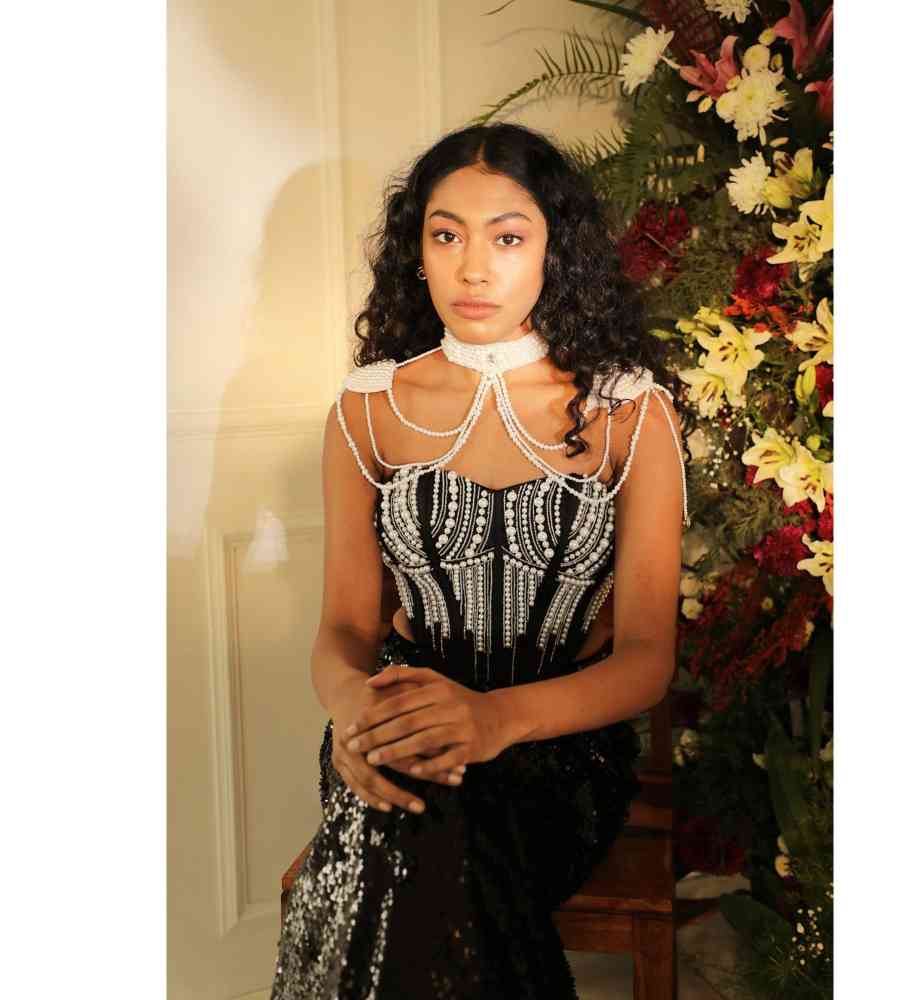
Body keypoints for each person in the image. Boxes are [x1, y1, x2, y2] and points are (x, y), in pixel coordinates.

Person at [270, 121, 688, 999]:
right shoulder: (368, 409)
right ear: (416, 251)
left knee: (426, 842)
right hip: (395, 722)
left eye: (506, 238)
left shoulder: (629, 411)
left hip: (557, 748)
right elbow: (344, 627)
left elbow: (648, 660)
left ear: (554, 252)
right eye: (446, 234)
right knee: (415, 808)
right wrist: (354, 713)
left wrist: (493, 720)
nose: (472, 269)